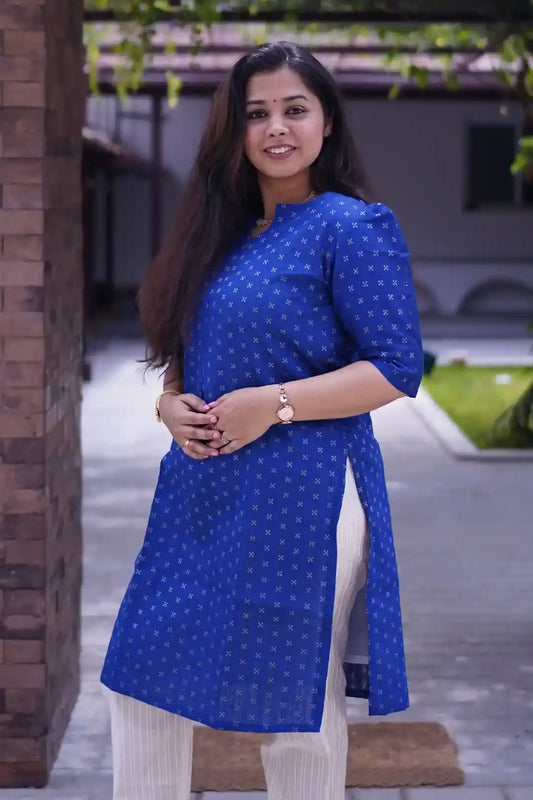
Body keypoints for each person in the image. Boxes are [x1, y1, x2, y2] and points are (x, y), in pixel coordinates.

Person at [99, 40, 424, 800]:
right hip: (202, 491)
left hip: (305, 491)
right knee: (142, 685)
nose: (276, 128)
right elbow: (189, 349)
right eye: (256, 113)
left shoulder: (351, 227)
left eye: (294, 109)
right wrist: (167, 402)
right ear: (235, 130)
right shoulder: (219, 232)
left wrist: (273, 404)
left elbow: (394, 368)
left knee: (294, 709)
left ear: (326, 122)